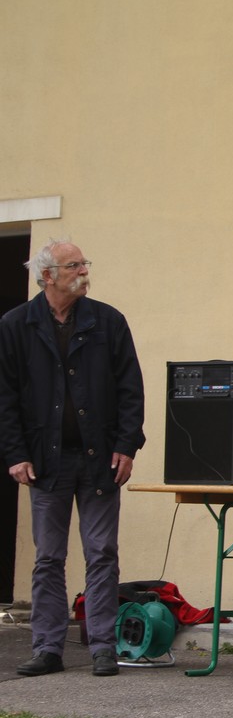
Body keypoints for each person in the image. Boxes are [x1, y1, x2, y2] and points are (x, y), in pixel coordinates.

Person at [0, 240, 145, 678]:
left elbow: (130, 390)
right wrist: (15, 453)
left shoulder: (108, 320)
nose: (84, 270)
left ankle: (102, 646)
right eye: (74, 265)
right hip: (46, 461)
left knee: (102, 552)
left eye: (84, 263)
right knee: (48, 557)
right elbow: (5, 396)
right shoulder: (16, 324)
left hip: (100, 458)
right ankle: (47, 648)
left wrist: (126, 445)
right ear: (47, 276)